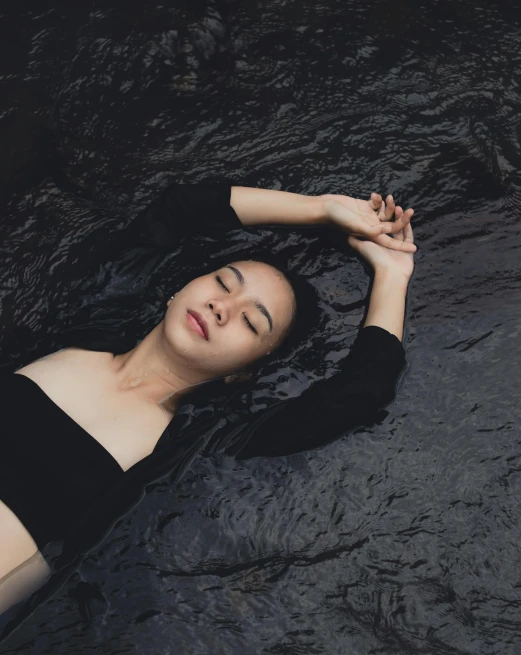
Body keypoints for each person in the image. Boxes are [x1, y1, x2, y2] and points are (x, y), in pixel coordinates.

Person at [0, 183, 415, 614]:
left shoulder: (196, 442)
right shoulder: (86, 322)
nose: (223, 307)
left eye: (251, 322)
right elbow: (179, 209)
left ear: (243, 372)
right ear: (180, 289)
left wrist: (391, 275)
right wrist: (322, 209)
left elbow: (360, 393)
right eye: (223, 283)